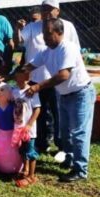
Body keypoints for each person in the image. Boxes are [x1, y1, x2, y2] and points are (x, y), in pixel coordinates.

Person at [25, 18, 95, 182]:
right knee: (65, 132)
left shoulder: (68, 48)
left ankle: (80, 170)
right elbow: (30, 66)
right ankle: (70, 159)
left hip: (80, 93)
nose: (45, 38)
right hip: (64, 95)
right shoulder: (46, 51)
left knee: (79, 133)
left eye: (48, 34)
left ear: (60, 33)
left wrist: (38, 86)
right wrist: (12, 74)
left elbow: (64, 75)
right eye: (43, 34)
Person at [14, 0, 81, 153]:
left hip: (59, 80)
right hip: (36, 78)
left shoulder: (68, 26)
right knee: (39, 111)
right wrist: (15, 74)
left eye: (50, 9)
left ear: (58, 11)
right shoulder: (33, 27)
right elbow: (19, 42)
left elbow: (75, 49)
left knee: (60, 114)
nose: (46, 12)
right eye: (44, 9)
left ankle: (62, 145)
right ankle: (42, 143)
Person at [12, 67, 41, 187]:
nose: (20, 82)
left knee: (30, 152)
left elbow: (37, 109)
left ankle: (31, 176)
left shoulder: (32, 92)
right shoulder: (14, 91)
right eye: (18, 80)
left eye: (23, 80)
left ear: (28, 78)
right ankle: (25, 170)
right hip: (18, 127)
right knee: (22, 151)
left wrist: (29, 125)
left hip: (29, 130)